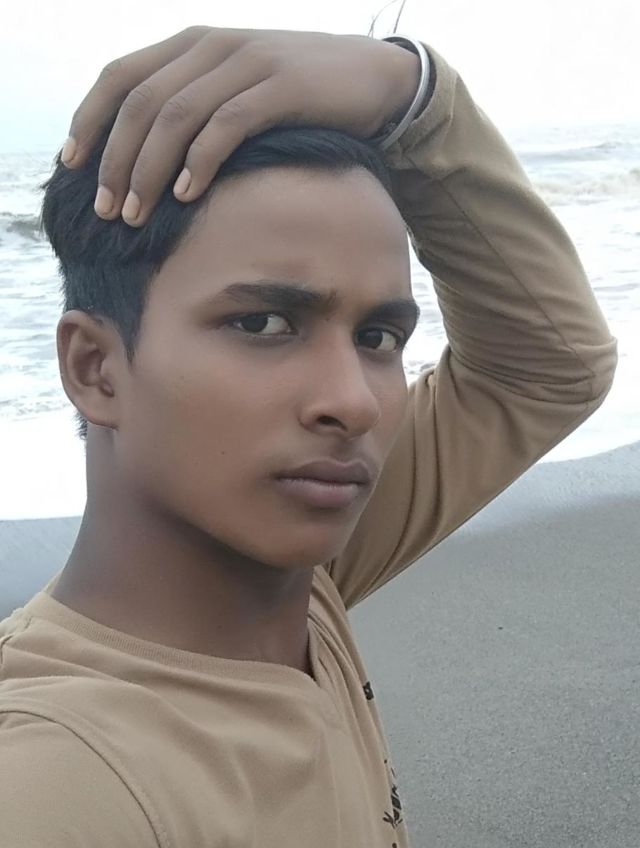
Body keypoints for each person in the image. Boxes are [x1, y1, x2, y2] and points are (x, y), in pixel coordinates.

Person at [0, 26, 617, 847]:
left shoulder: (295, 584)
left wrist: (415, 96)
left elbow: (547, 367)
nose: (353, 402)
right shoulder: (58, 782)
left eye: (379, 337)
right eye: (264, 323)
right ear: (95, 368)